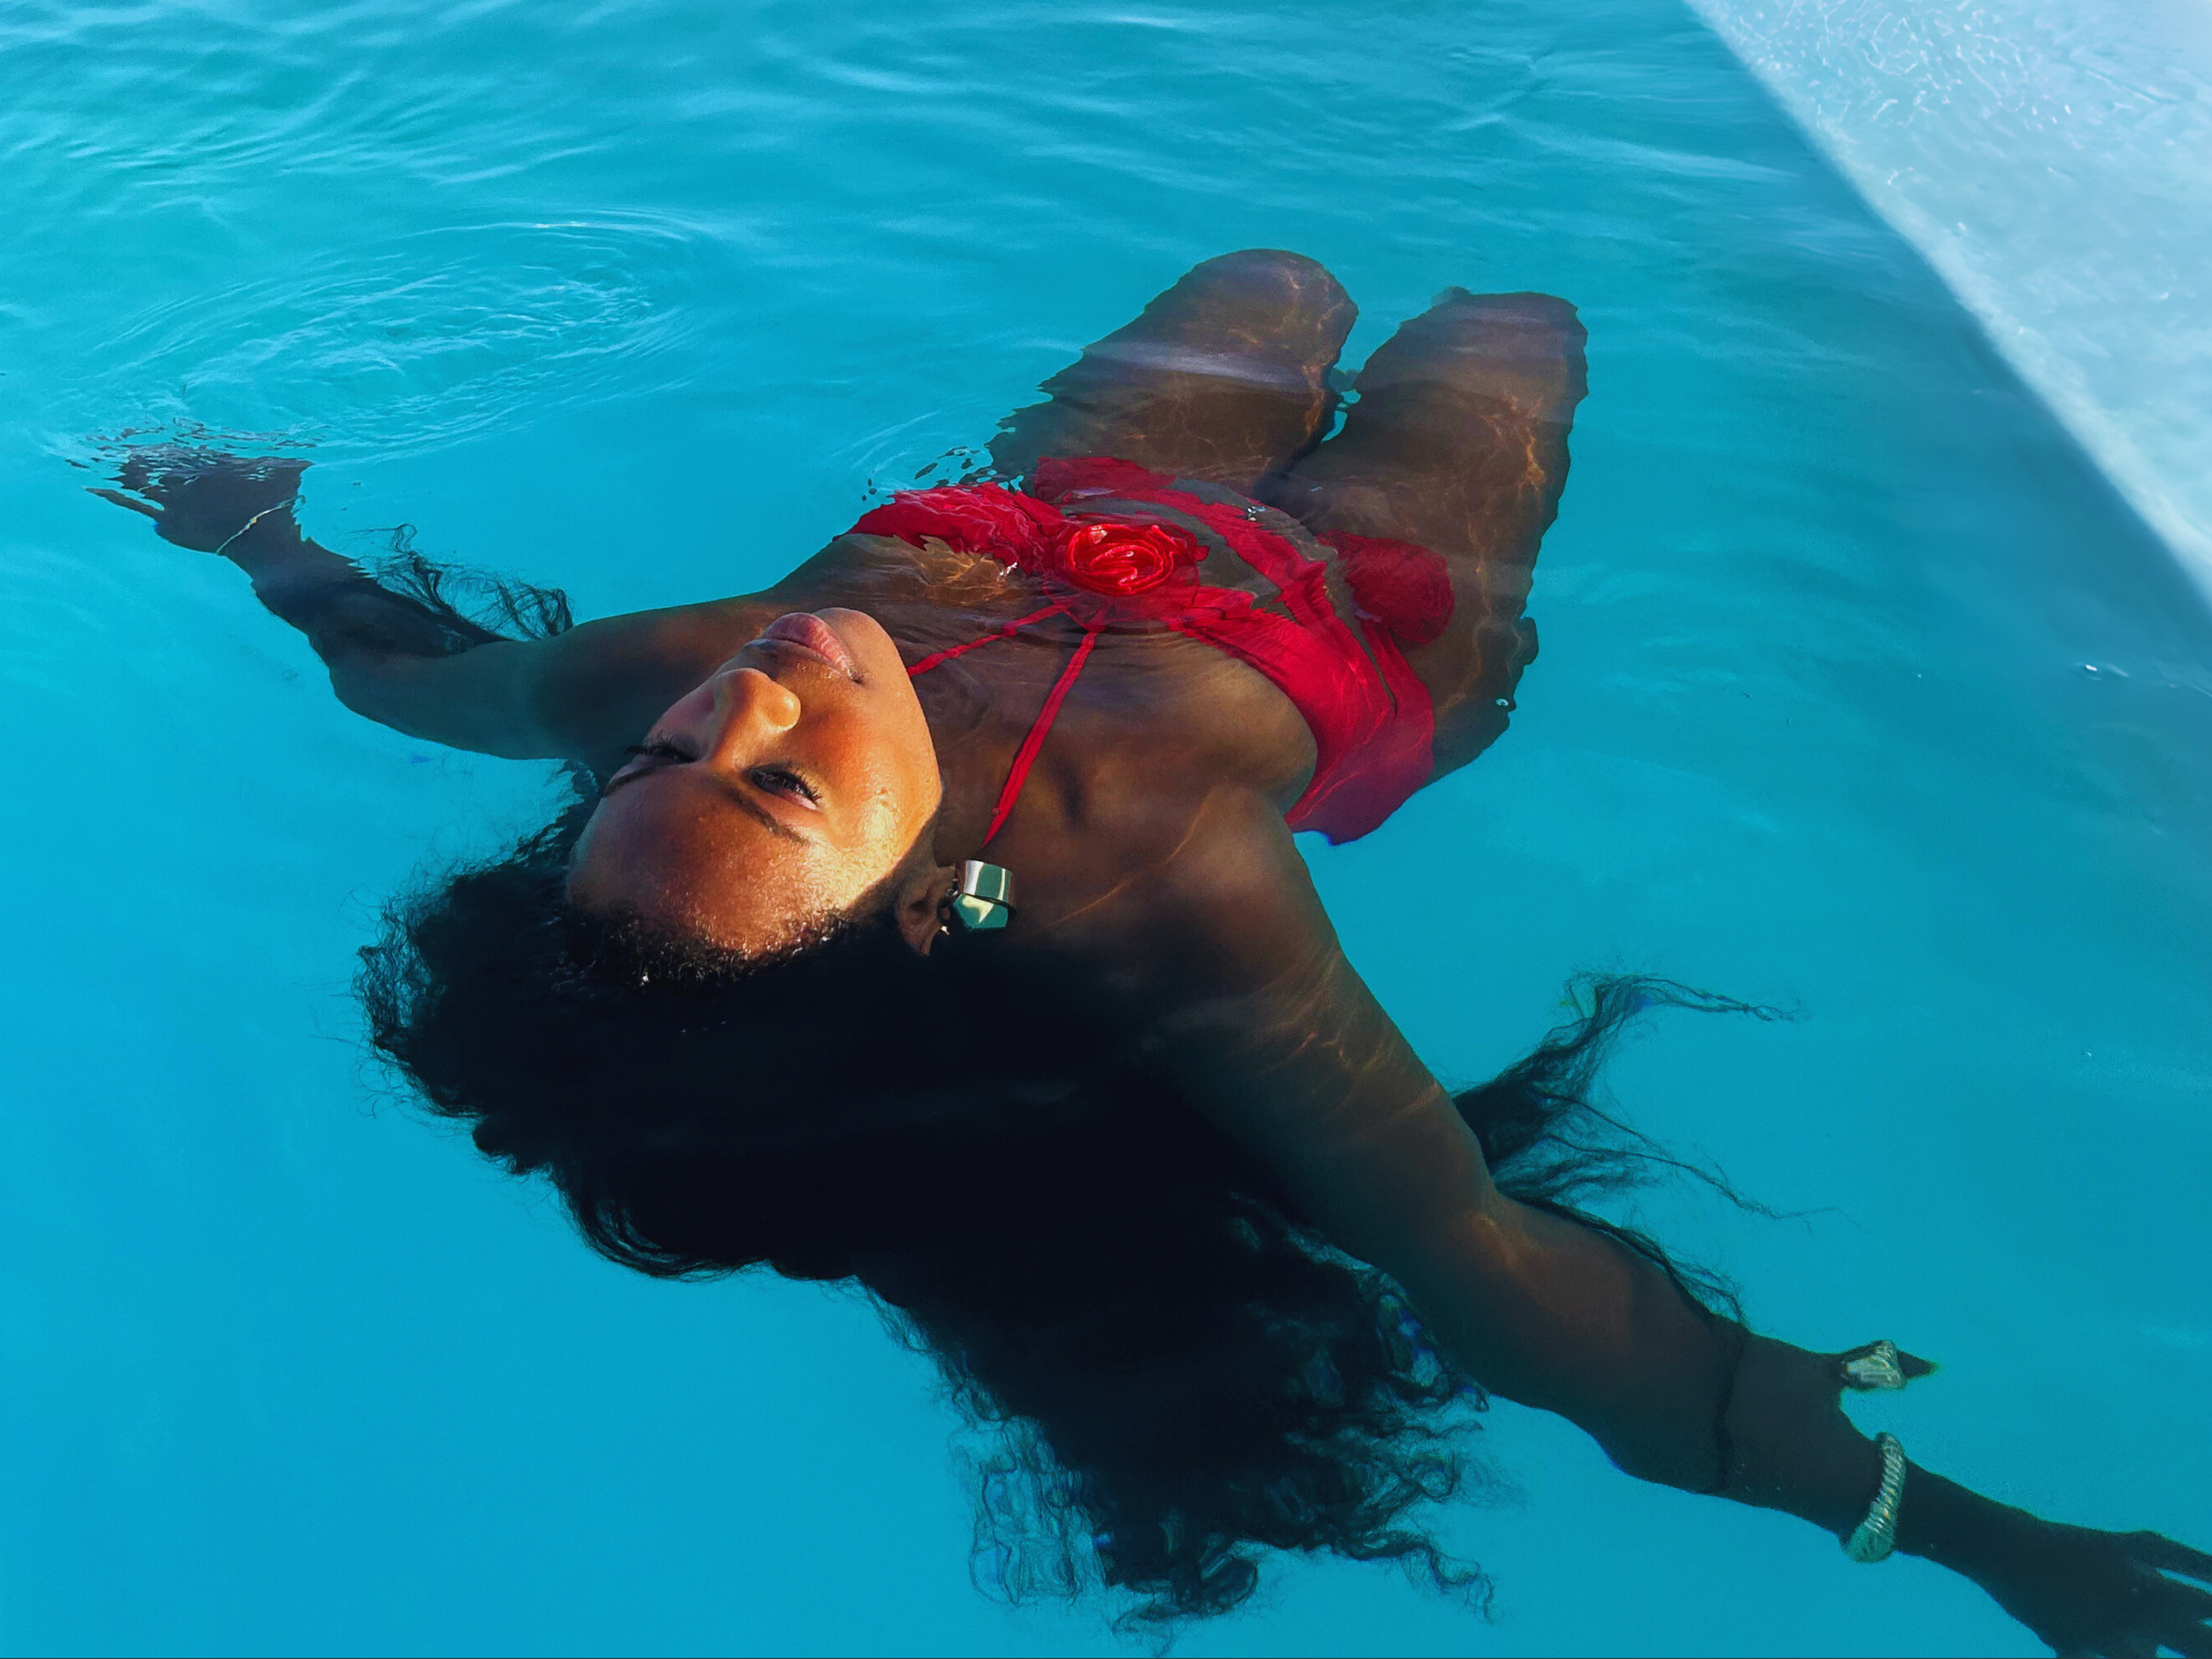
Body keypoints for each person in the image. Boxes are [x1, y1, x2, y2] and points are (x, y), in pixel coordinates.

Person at [98, 250, 2208, 1652]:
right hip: (1357, 618)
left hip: (1046, 516)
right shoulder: (1166, 893)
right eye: (774, 783)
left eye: (676, 748)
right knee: (1505, 332)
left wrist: (259, 536)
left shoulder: (676, 668)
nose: (753, 692)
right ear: (904, 906)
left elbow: (412, 676)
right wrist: (1980, 1540)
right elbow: (1493, 1274)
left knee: (1271, 288)